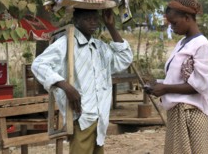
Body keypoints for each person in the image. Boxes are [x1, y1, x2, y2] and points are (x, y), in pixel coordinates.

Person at [31, 8, 133, 154]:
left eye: (95, 18)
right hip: (81, 116)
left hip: (100, 117)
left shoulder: (100, 47)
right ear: (76, 21)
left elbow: (125, 58)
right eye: (87, 19)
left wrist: (111, 26)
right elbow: (39, 65)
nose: (93, 22)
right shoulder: (65, 44)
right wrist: (66, 87)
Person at [146, 0, 208, 154]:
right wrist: (158, 84)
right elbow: (178, 78)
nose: (171, 27)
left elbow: (200, 85)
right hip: (178, 113)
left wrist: (165, 88)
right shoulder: (183, 43)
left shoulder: (202, 46)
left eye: (174, 23)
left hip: (192, 114)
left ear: (187, 18)